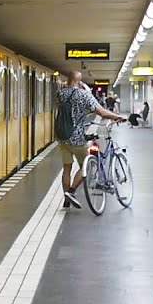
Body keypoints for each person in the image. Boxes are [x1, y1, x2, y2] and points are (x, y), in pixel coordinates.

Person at [56, 71, 127, 208]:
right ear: (80, 82)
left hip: (61, 136)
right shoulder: (83, 95)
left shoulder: (60, 93)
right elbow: (102, 112)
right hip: (76, 137)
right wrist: (118, 117)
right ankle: (71, 191)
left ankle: (66, 200)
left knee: (66, 169)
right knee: (86, 165)